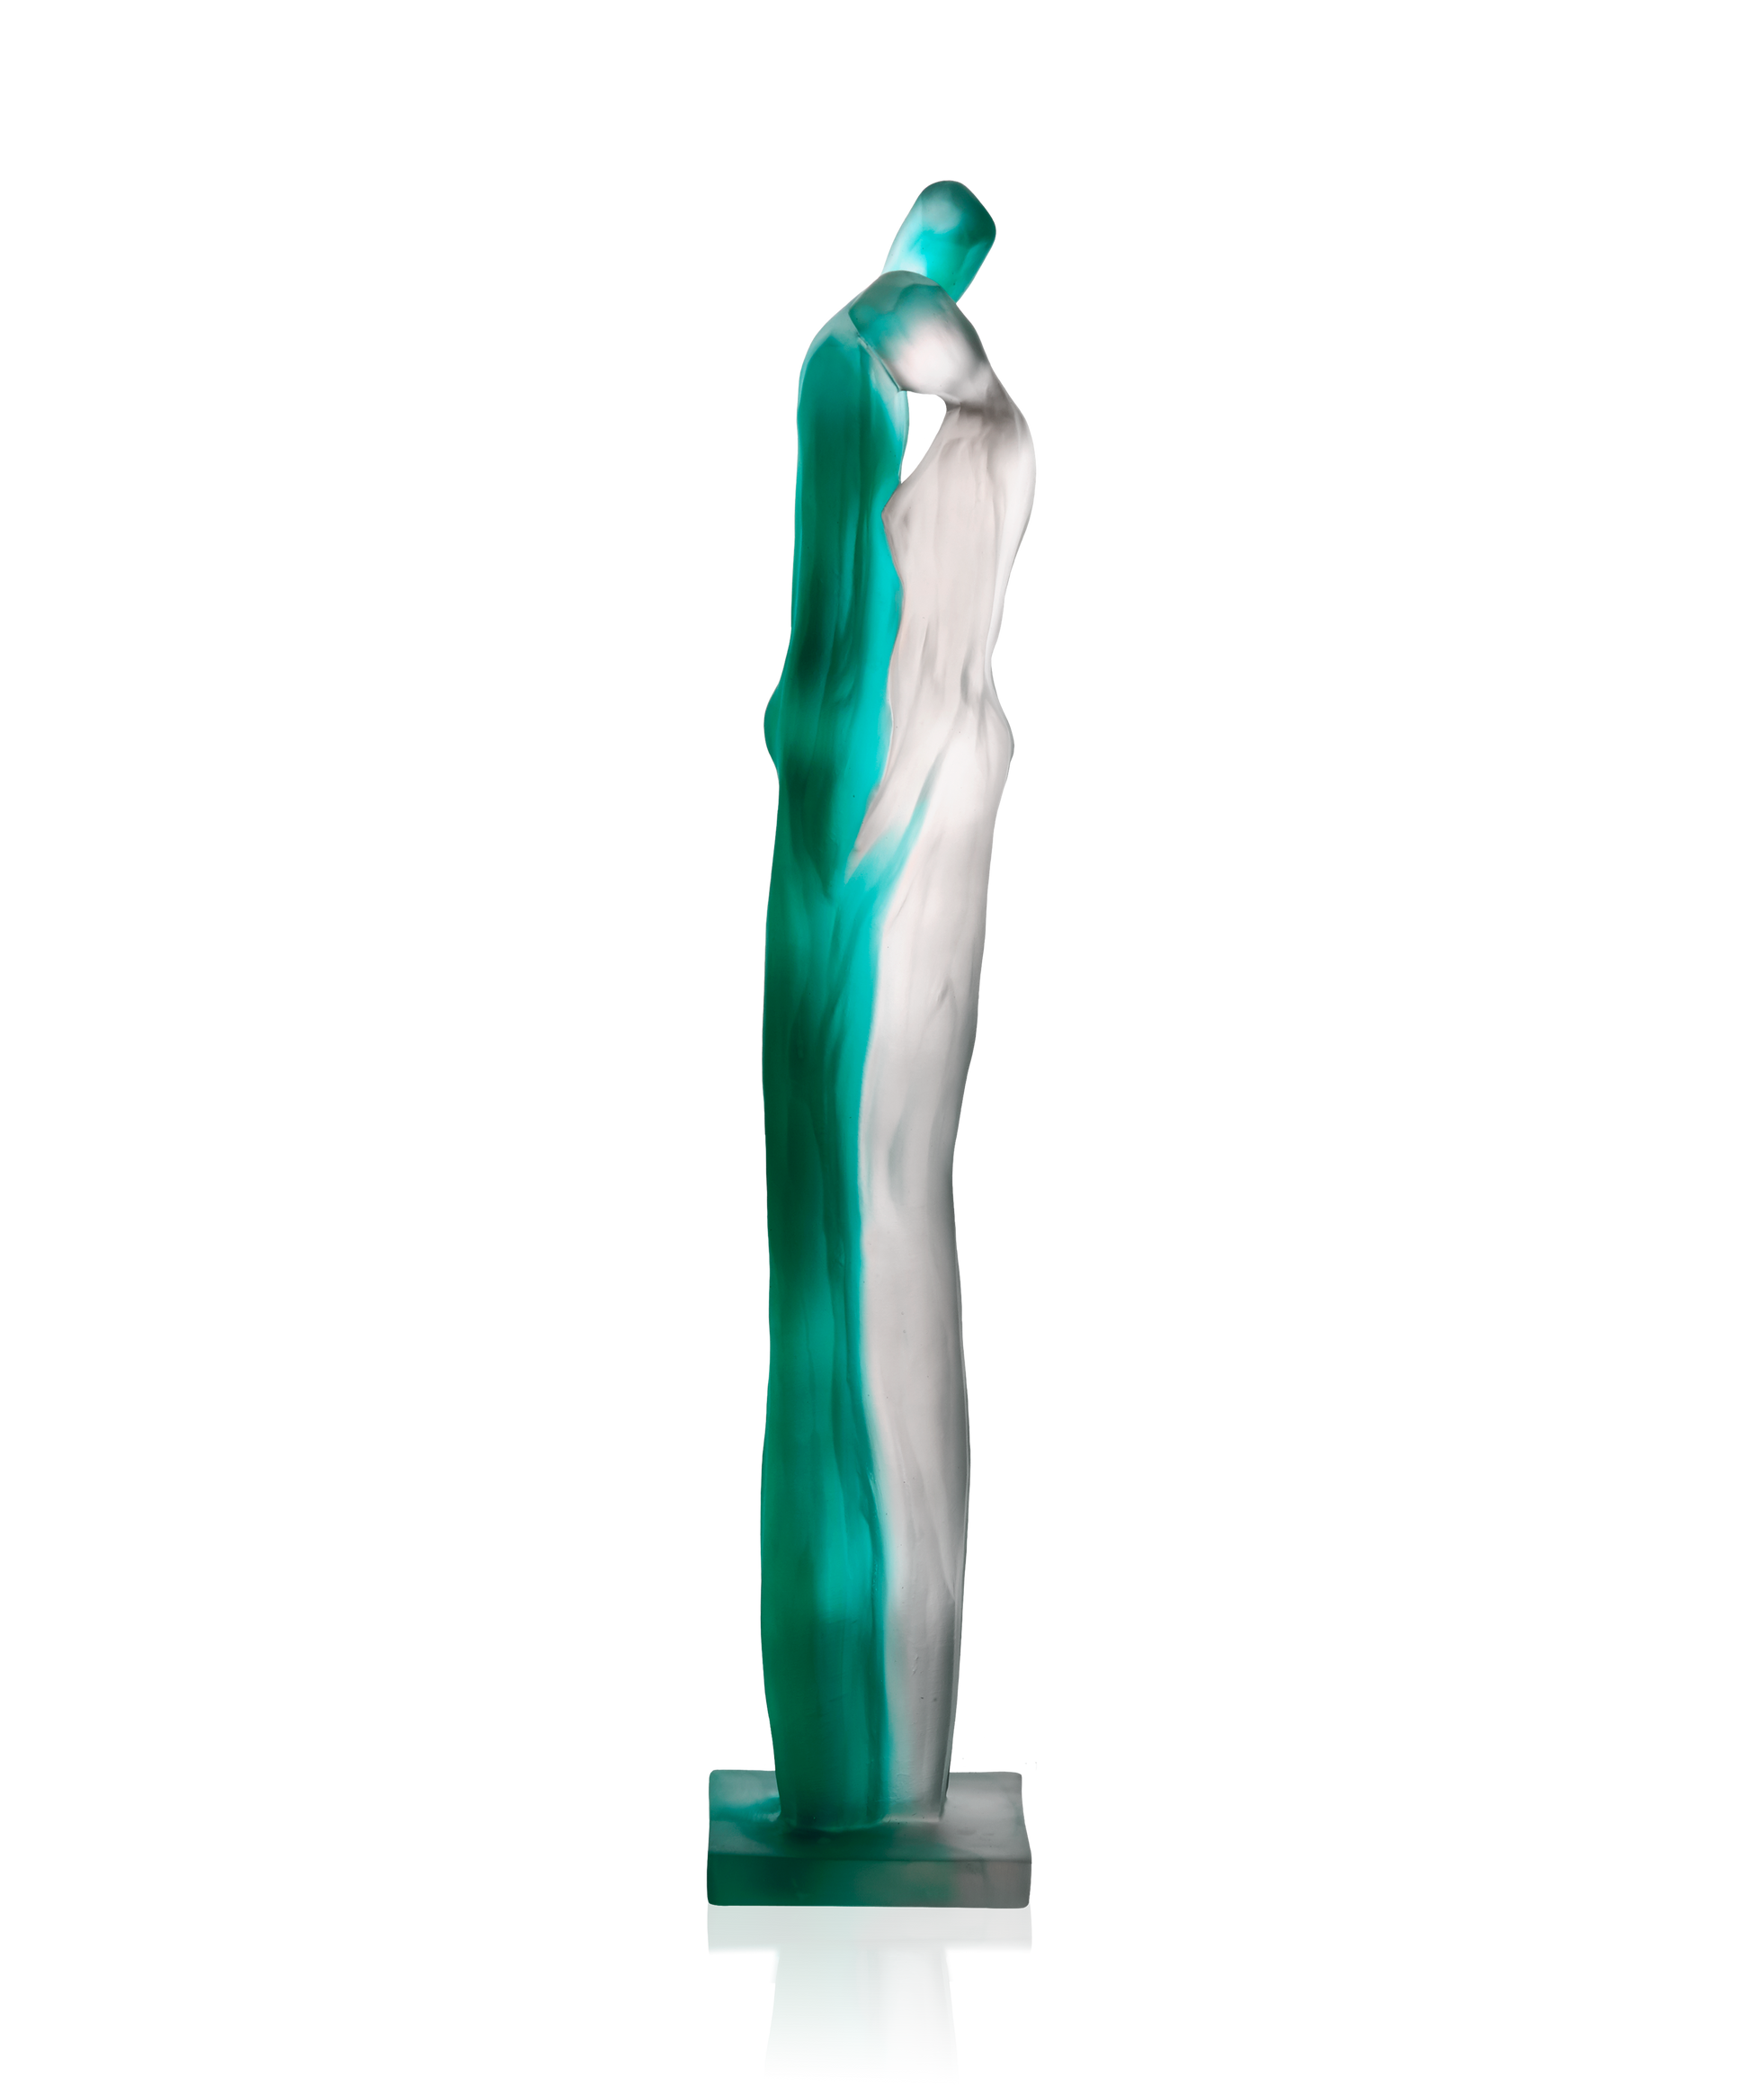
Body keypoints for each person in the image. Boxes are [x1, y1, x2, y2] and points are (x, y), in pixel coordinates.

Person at [758, 181, 1039, 1830]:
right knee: (858, 1227)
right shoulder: (862, 366)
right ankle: (862, 1773)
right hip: (869, 865)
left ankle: (875, 1774)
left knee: (867, 1224)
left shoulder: (883, 381)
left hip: (886, 863)